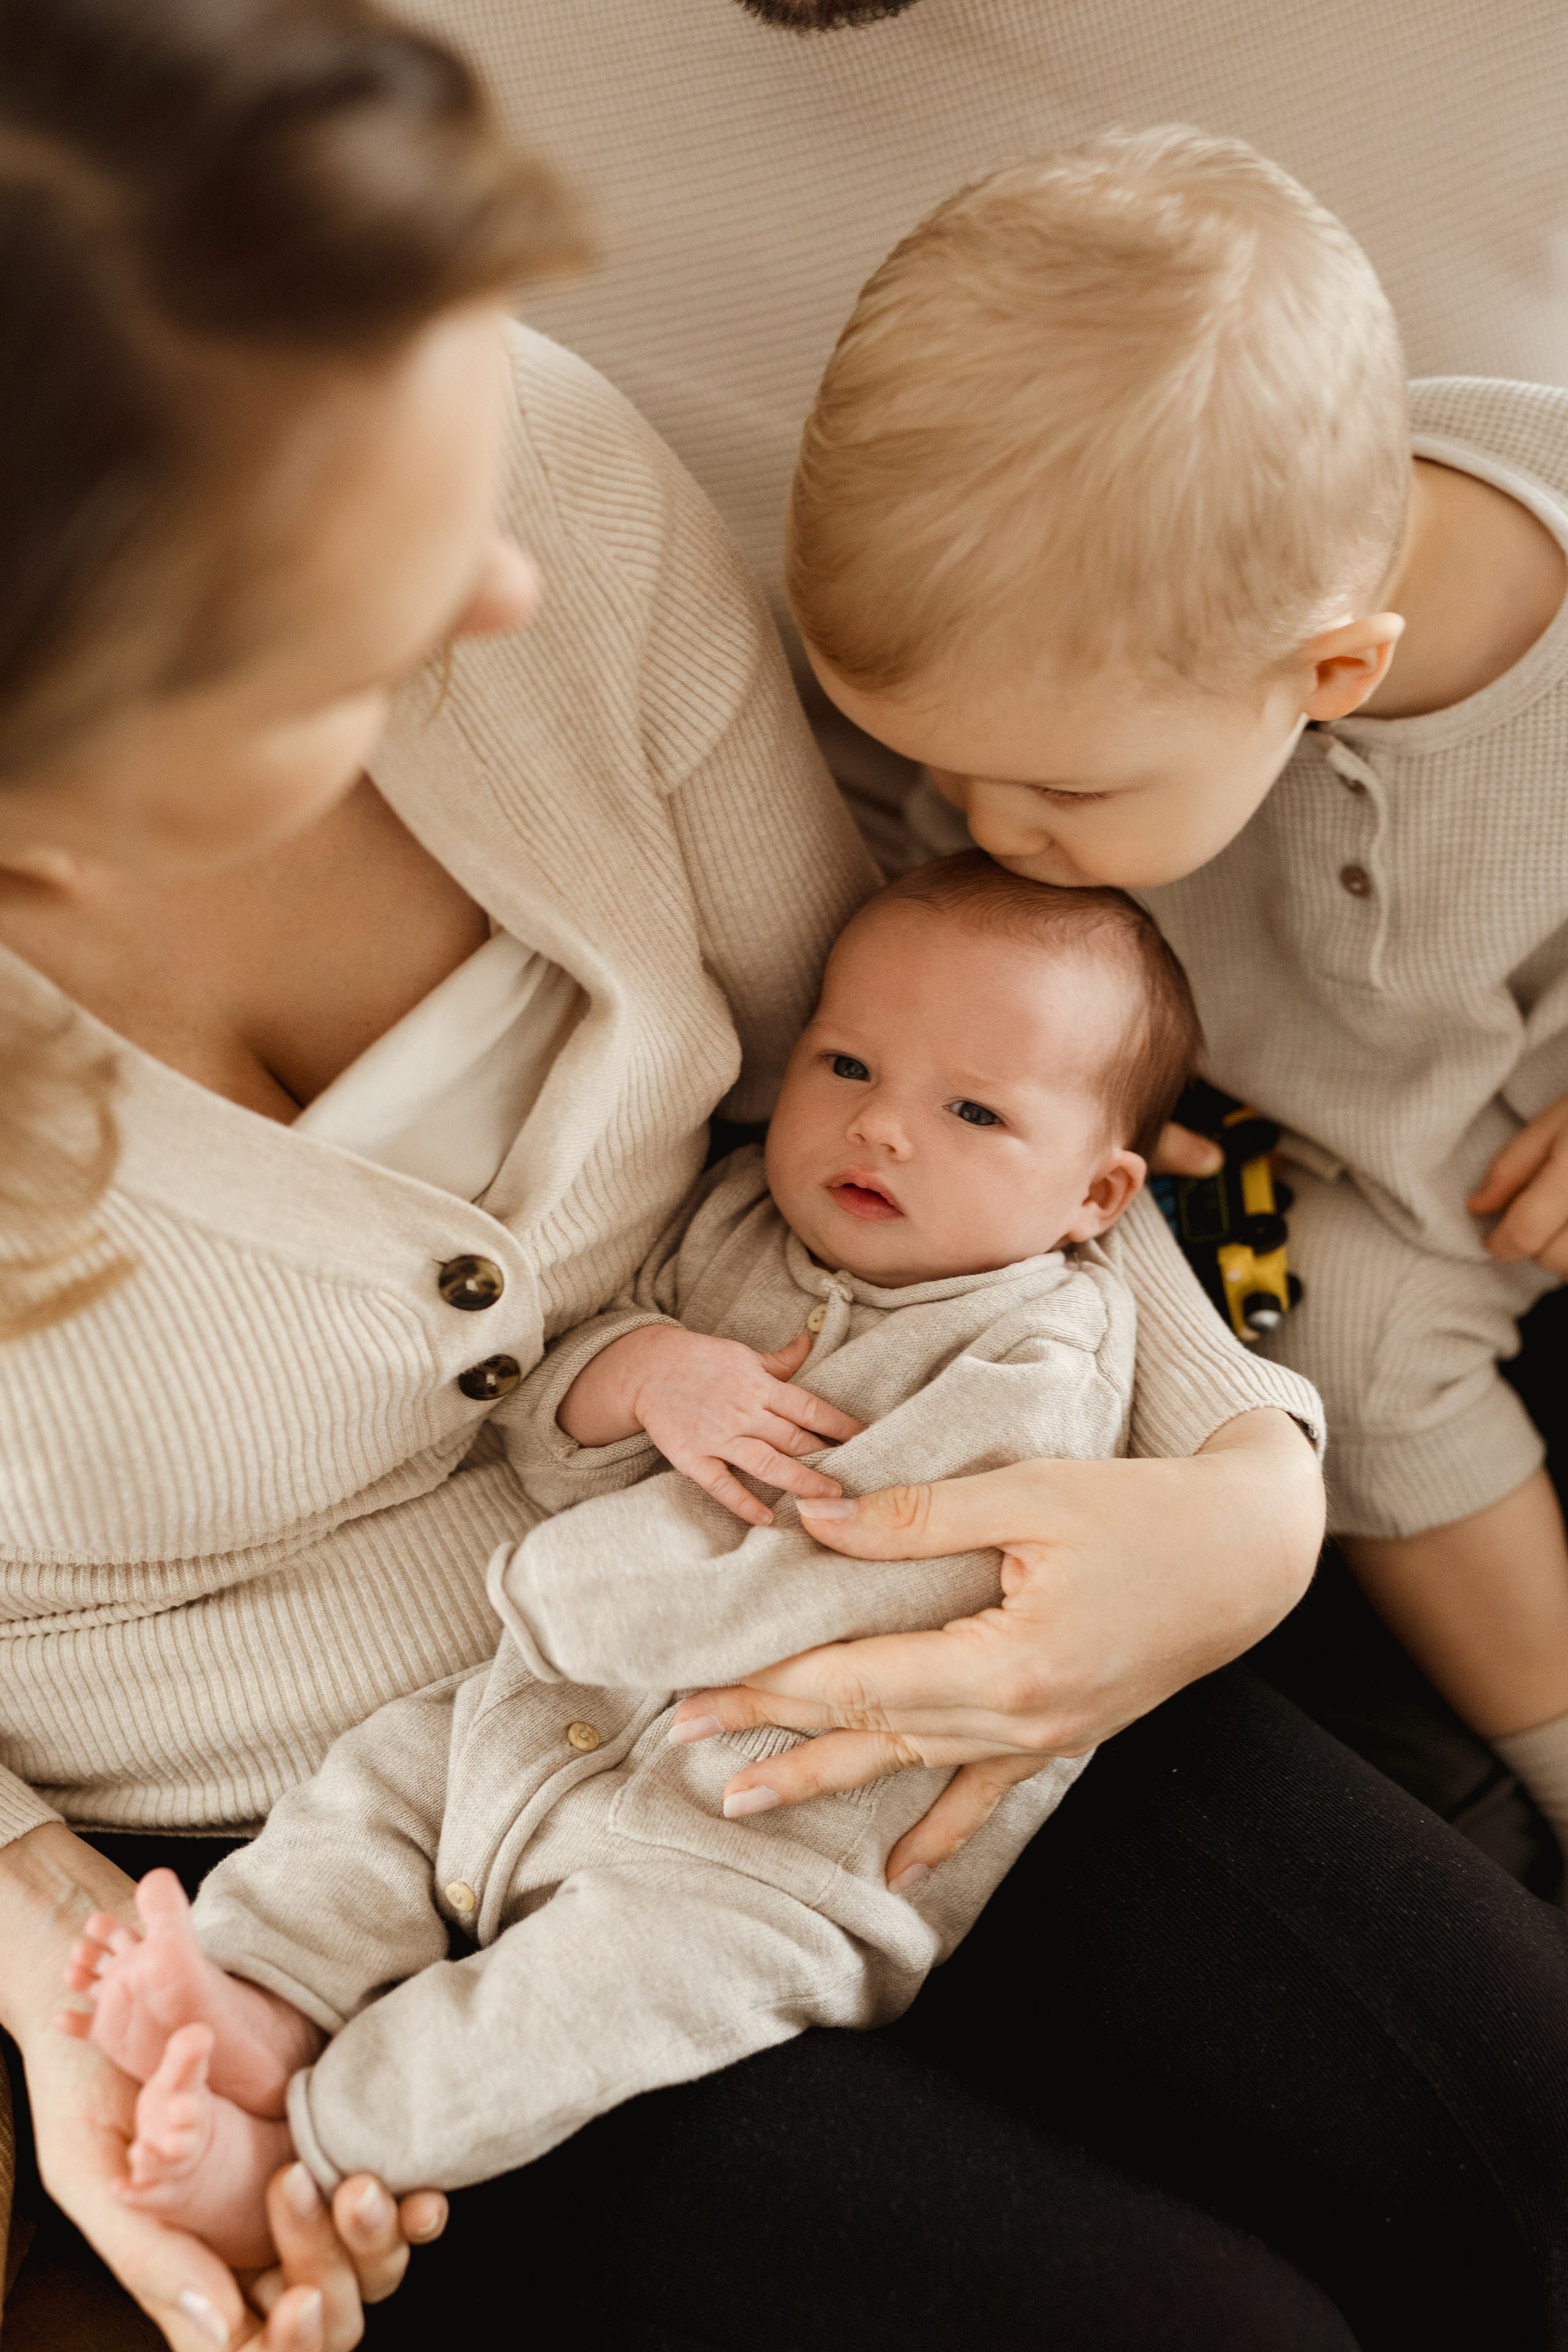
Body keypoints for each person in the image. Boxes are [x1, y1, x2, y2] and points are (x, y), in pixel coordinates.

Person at [0, 4, 1351, 2345]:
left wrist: (1247, 1490)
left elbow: (943, 1072)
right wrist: (54, 1969)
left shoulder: (536, 469)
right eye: (379, 560)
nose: (504, 589)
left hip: (844, 1593)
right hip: (287, 1817)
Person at [61, 858, 1202, 2255]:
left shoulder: (1035, 1356)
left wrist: (573, 1598)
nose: (880, 1126)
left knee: (565, 2012)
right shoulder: (734, 1223)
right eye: (846, 1064)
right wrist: (644, 1371)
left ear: (1097, 1194)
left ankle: (306, 2150)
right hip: (530, 1720)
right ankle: (254, 1993)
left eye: (972, 1110)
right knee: (373, 1791)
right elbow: (552, 1439)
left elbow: (878, 1571)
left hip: (755, 1845)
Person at [768, 127, 1568, 1879]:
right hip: (1336, 1180)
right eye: (939, 767)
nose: (989, 829)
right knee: (1360, 1352)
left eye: (1057, 791)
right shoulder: (1062, 694)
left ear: (1329, 672)